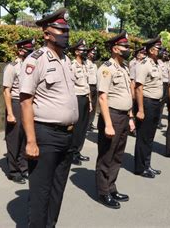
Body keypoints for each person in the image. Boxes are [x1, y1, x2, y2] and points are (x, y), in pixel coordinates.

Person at [19, 8, 78, 228]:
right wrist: (31, 141)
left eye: (67, 30)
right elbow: (26, 101)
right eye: (60, 29)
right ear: (46, 34)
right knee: (41, 193)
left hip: (66, 135)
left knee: (57, 190)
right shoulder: (36, 59)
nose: (65, 33)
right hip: (45, 135)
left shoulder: (65, 59)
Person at [95, 31, 135, 209]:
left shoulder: (124, 67)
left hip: (124, 117)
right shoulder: (106, 69)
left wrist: (131, 117)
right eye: (125, 46)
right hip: (112, 117)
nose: (128, 49)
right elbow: (102, 97)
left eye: (128, 46)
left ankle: (112, 187)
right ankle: (103, 192)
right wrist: (108, 124)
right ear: (115, 48)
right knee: (107, 156)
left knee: (118, 156)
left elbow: (127, 94)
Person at [2, 38, 35, 184]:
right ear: (21, 51)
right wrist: (10, 112)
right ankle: (13, 171)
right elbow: (6, 91)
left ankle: (23, 167)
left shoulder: (31, 66)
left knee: (25, 137)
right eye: (28, 50)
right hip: (15, 104)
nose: (31, 52)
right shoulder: (12, 67)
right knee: (14, 139)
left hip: (27, 104)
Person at [134, 36, 163, 178]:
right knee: (143, 136)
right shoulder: (144, 64)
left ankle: (147, 164)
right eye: (159, 48)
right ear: (151, 50)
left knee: (150, 136)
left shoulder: (155, 63)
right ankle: (140, 167)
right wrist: (140, 109)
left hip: (156, 103)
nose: (161, 51)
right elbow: (139, 87)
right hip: (147, 103)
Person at [69, 39, 92, 166]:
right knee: (76, 128)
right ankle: (72, 154)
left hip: (84, 98)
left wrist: (89, 101)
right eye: (83, 50)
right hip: (76, 99)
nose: (85, 52)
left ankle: (78, 151)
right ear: (77, 52)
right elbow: (70, 86)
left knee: (83, 127)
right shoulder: (72, 66)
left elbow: (86, 85)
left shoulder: (84, 65)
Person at [86, 46, 98, 131]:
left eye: (94, 53)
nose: (93, 54)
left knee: (93, 106)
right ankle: (86, 124)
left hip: (94, 86)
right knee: (88, 106)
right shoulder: (86, 63)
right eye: (92, 53)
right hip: (89, 86)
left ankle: (90, 123)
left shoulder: (94, 64)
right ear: (88, 53)